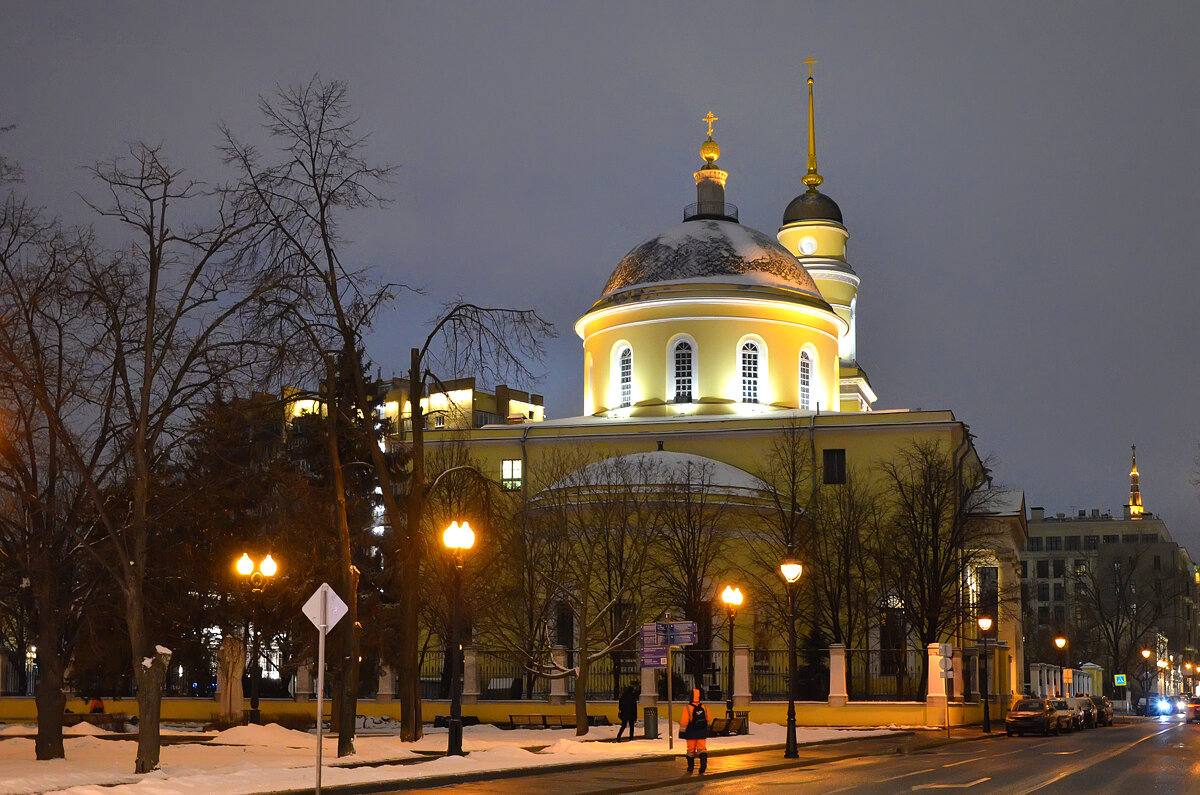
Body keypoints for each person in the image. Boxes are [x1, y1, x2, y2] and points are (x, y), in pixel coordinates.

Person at [679, 688, 709, 774]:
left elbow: (684, 721)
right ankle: (703, 764)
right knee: (702, 749)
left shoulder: (688, 708)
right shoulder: (704, 707)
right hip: (701, 731)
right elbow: (708, 718)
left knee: (690, 750)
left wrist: (682, 732)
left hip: (691, 732)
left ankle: (690, 767)